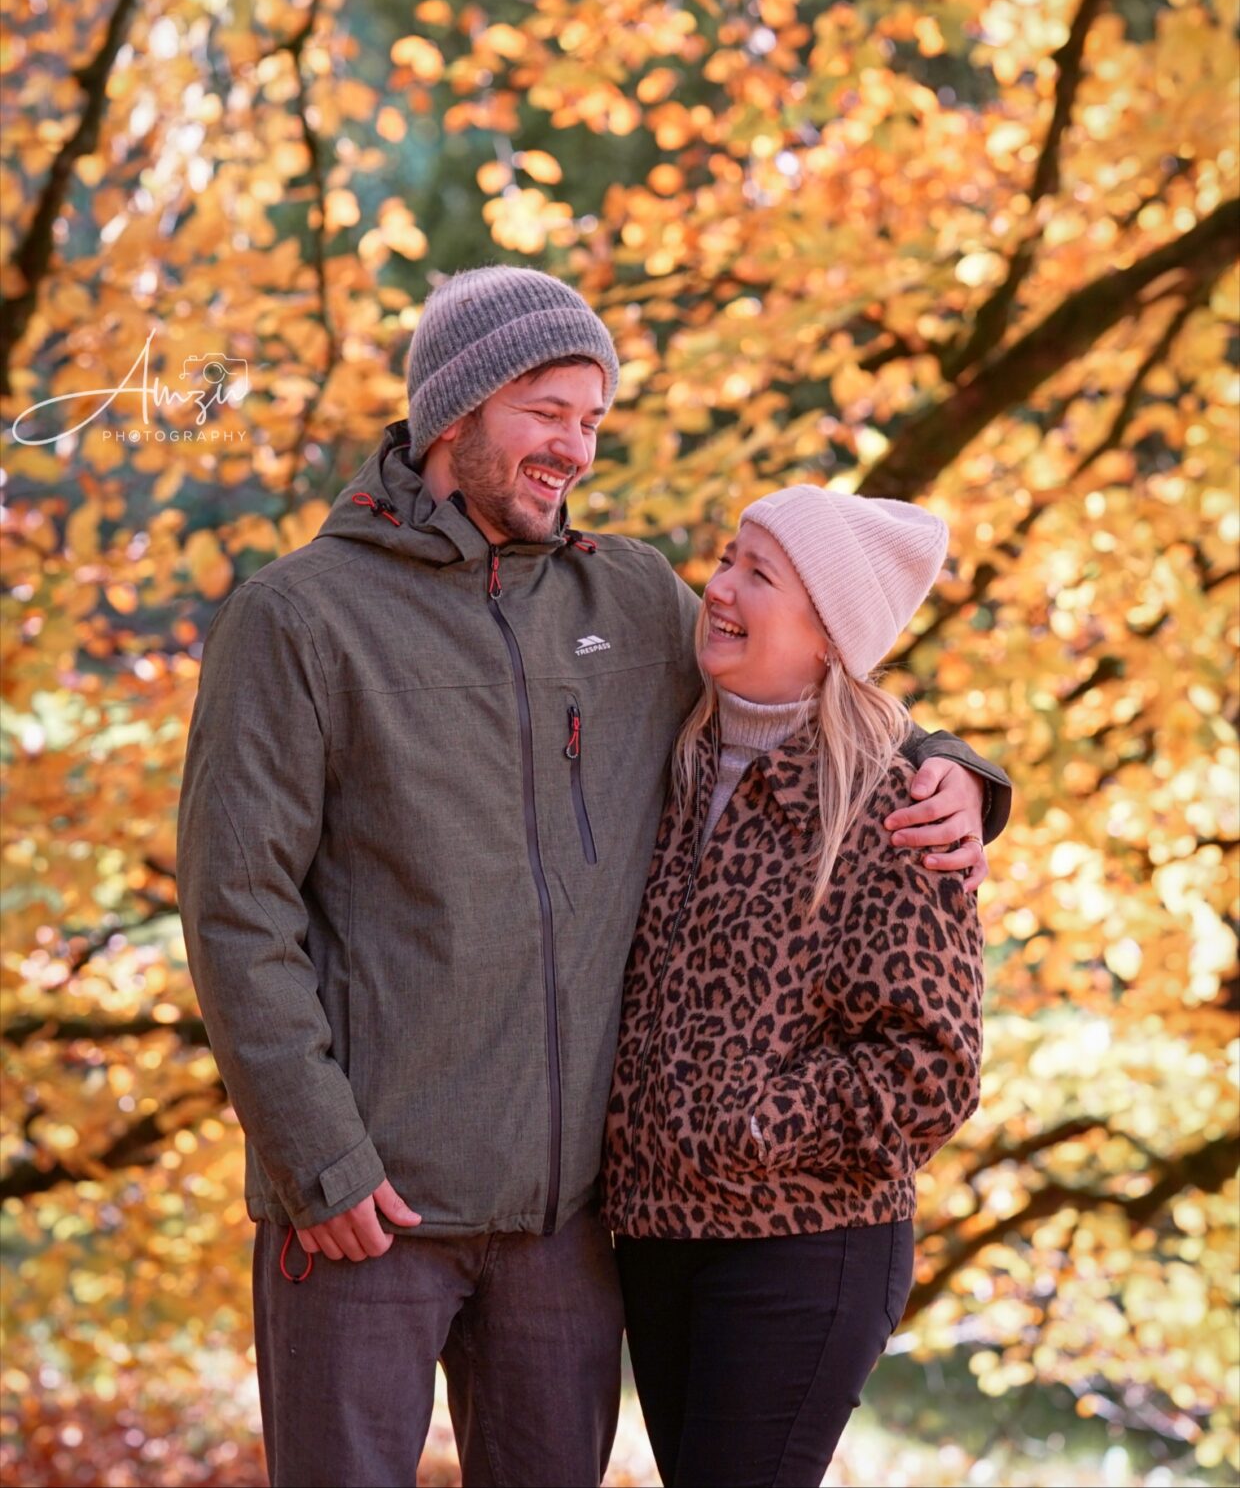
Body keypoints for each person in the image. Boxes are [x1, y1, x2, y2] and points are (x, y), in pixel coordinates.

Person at [176, 266, 1011, 1488]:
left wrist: (956, 768)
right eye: (546, 408)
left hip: (568, 1227)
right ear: (451, 412)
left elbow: (804, 665)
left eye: (593, 418)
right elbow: (235, 910)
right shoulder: (299, 620)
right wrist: (317, 1158)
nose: (575, 445)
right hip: (366, 1206)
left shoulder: (626, 597)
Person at [600, 486, 989, 1488]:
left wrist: (753, 1127)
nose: (720, 586)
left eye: (758, 574)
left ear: (828, 635)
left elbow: (932, 1065)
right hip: (656, 1232)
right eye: (728, 557)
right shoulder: (665, 758)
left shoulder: (891, 804)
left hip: (803, 1242)